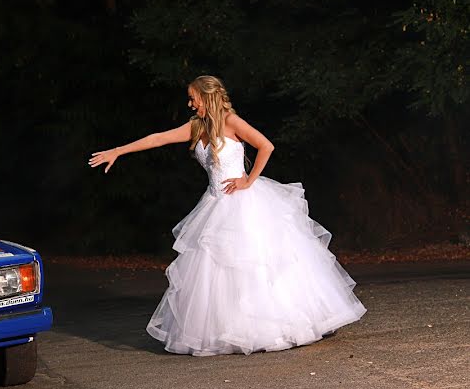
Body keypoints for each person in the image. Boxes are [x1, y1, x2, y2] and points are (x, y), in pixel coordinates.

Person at [89, 75, 366, 356]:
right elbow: (159, 138)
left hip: (242, 202)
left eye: (192, 98)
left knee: (254, 265)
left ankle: (270, 326)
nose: (189, 103)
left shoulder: (231, 122)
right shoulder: (196, 127)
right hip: (214, 203)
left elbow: (266, 146)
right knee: (214, 271)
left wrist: (248, 181)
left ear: (207, 97)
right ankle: (226, 330)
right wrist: (118, 151)